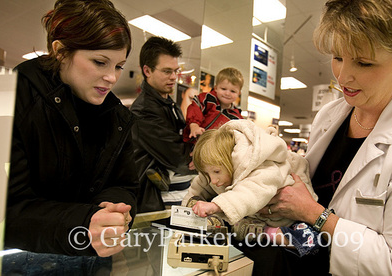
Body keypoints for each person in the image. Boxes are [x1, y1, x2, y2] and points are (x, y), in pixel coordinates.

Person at [261, 0, 392, 275]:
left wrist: (314, 214)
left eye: (364, 62)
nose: (343, 76)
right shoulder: (331, 115)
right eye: (337, 57)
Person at [3, 0, 138, 271]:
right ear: (61, 51)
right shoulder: (8, 98)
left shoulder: (117, 117)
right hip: (22, 262)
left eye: (119, 66)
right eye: (100, 62)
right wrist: (84, 223)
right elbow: (4, 210)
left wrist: (114, 209)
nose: (112, 77)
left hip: (93, 260)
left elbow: (126, 184)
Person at [182, 120, 319, 255]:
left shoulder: (262, 166)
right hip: (256, 216)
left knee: (307, 240)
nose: (213, 180)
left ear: (231, 161)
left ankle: (266, 232)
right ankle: (254, 230)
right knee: (232, 222)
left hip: (287, 219)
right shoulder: (216, 169)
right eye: (207, 173)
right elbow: (199, 186)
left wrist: (216, 206)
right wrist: (184, 213)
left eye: (216, 172)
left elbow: (251, 192)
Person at [131, 36, 195, 209]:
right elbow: (179, 158)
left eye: (176, 71)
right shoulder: (144, 111)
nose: (174, 77)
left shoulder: (169, 104)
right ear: (147, 70)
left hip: (178, 196)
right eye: (167, 71)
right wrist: (201, 157)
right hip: (156, 203)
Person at [183, 67, 244, 143]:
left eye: (233, 91)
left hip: (213, 150)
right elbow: (195, 109)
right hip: (191, 142)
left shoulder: (236, 117)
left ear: (239, 93)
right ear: (216, 88)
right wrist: (194, 126)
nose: (227, 93)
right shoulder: (207, 99)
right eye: (223, 89)